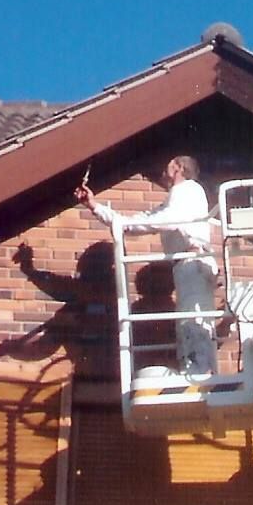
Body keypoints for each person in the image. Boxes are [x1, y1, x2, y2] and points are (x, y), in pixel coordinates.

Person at [74, 155, 218, 377]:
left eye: (169, 164)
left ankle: (200, 378)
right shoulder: (176, 197)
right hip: (189, 266)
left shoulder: (187, 190)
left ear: (178, 167)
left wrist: (128, 224)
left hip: (192, 263)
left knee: (193, 324)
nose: (164, 169)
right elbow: (137, 222)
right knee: (190, 324)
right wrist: (95, 207)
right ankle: (197, 375)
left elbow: (164, 219)